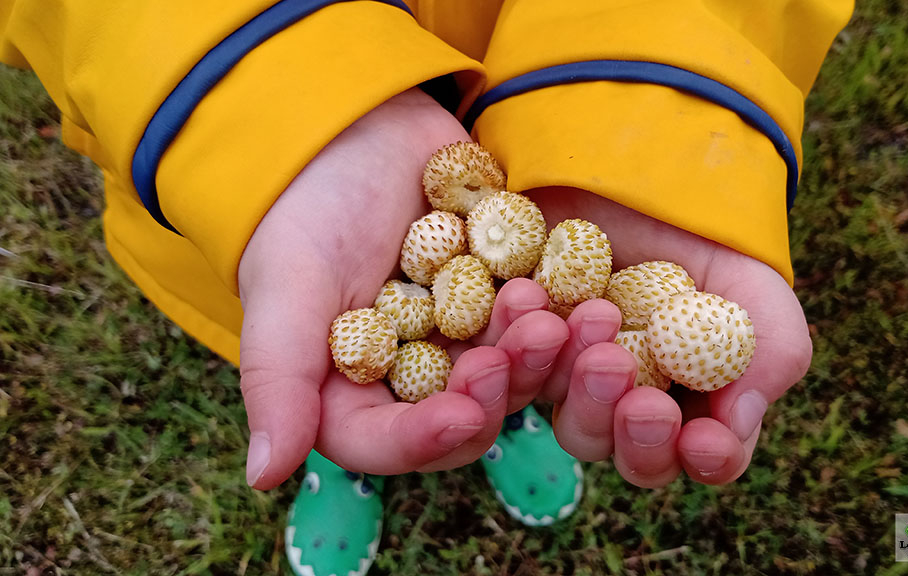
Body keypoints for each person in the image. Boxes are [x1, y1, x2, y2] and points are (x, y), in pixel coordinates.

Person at [1, 1, 854, 574]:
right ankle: (341, 463)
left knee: (523, 344)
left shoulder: (518, 245)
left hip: (530, 125)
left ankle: (514, 415)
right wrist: (268, 99)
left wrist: (641, 111)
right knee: (311, 333)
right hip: (239, 189)